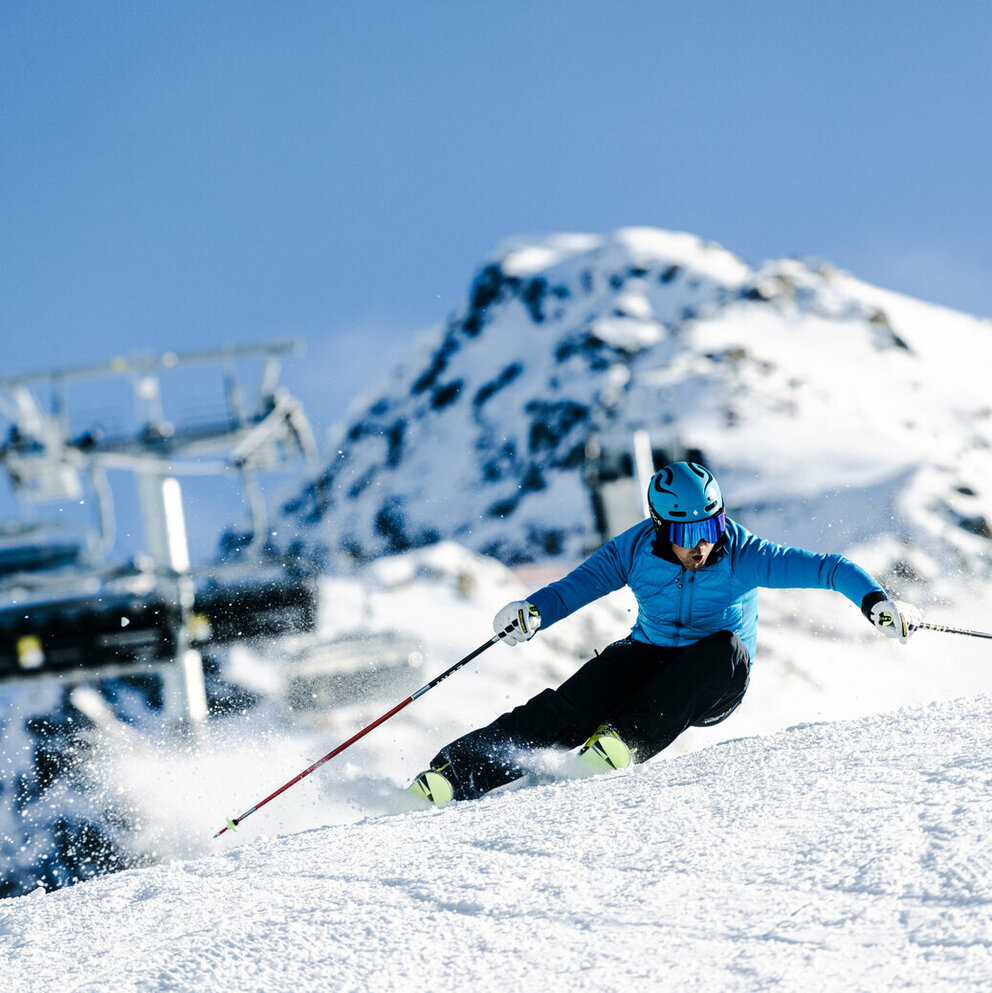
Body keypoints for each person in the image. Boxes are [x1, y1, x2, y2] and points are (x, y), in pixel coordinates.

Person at [408, 461, 921, 806]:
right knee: (567, 709)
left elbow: (828, 568)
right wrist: (532, 612)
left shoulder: (744, 554)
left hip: (713, 678)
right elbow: (573, 588)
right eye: (684, 534)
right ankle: (452, 775)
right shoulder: (632, 550)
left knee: (722, 648)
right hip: (647, 656)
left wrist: (874, 600)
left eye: (709, 528)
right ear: (659, 528)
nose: (699, 546)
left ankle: (622, 744)